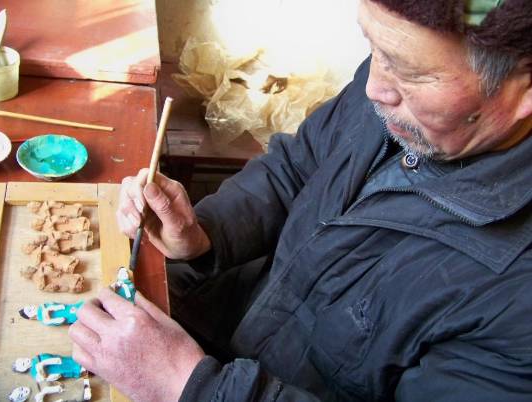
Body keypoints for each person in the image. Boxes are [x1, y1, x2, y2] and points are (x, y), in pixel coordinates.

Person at [69, 0, 532, 400]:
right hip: (228, 323)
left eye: (410, 72)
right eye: (373, 48)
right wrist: (204, 235)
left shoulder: (518, 304)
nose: (373, 88)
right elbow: (297, 167)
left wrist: (190, 386)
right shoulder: (393, 95)